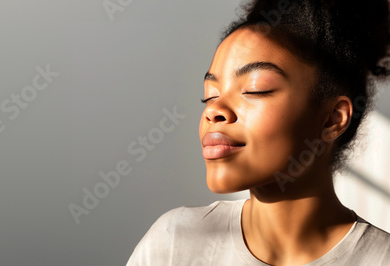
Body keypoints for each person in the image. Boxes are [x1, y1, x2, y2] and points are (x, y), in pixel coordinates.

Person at [126, 0, 390, 265]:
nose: (213, 110)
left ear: (333, 119)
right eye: (210, 95)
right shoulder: (173, 242)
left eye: (255, 89)